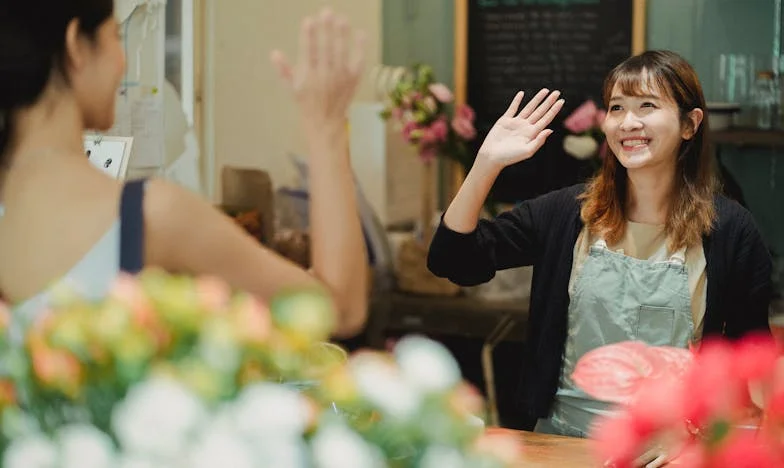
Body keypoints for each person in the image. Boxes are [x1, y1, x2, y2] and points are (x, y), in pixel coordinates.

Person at [428, 50, 772, 440]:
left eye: (647, 105)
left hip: (668, 449)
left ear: (690, 124)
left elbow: (752, 365)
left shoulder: (731, 229)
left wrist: (692, 434)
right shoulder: (565, 214)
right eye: (616, 107)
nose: (628, 122)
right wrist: (486, 163)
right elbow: (452, 259)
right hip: (561, 441)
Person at [0, 3, 369, 338]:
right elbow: (339, 308)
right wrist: (327, 126)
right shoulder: (147, 215)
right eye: (115, 36)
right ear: (76, 47)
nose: (122, 60)